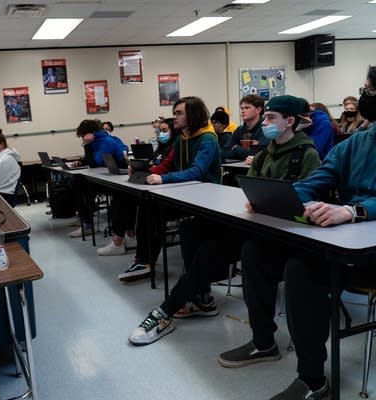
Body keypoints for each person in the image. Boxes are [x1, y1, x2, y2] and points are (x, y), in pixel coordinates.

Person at [219, 68, 376, 400]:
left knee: (302, 270)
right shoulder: (360, 141)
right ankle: (264, 343)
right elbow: (322, 176)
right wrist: (278, 198)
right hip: (347, 242)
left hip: (369, 248)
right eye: (366, 90)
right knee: (255, 251)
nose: (365, 98)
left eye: (370, 91)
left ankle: (314, 381)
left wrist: (354, 210)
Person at [128, 95, 321, 345]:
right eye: (266, 117)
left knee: (213, 252)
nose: (265, 122)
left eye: (271, 118)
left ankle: (166, 311)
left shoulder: (307, 155)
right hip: (257, 226)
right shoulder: (263, 156)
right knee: (195, 232)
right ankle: (179, 305)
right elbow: (250, 192)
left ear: (290, 122)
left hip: (286, 234)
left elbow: (308, 200)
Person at [118, 96, 222, 281]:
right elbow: (166, 164)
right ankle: (144, 261)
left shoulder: (208, 139)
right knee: (147, 207)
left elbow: (197, 172)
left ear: (193, 115)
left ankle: (150, 262)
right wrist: (143, 172)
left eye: (179, 113)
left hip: (205, 198)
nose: (174, 117)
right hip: (184, 194)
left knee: (163, 215)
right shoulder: (181, 139)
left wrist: (163, 178)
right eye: (175, 113)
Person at [96, 118, 178, 256]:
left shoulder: (175, 147)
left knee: (124, 199)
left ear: (174, 132)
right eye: (160, 130)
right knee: (121, 194)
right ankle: (128, 235)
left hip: (164, 187)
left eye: (164, 131)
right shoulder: (160, 149)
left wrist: (147, 170)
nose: (160, 133)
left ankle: (119, 241)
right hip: (152, 183)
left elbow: (165, 168)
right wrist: (136, 168)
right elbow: (151, 163)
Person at [68, 119, 128, 238]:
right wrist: (80, 162)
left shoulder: (106, 142)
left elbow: (95, 163)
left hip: (118, 182)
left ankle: (87, 223)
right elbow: (93, 158)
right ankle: (85, 218)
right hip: (106, 178)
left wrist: (87, 145)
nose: (82, 139)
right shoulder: (98, 140)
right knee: (76, 182)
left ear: (90, 133)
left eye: (83, 136)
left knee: (79, 184)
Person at [222, 94, 268, 160]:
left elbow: (260, 154)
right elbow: (225, 152)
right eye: (242, 108)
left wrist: (236, 148)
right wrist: (247, 151)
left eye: (247, 108)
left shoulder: (265, 128)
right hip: (238, 168)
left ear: (258, 110)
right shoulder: (239, 130)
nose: (243, 111)